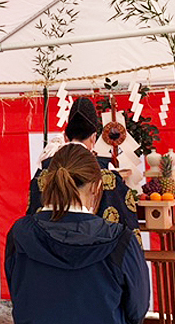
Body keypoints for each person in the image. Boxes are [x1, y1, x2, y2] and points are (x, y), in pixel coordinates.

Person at [6, 144, 150, 324]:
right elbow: (137, 309)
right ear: (97, 188)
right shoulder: (121, 240)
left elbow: (20, 296)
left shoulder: (20, 235)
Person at [27, 97, 138, 231]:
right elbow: (124, 223)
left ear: (66, 138)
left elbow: (32, 217)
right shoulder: (107, 172)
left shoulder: (45, 170)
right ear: (93, 138)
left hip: (48, 247)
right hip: (95, 247)